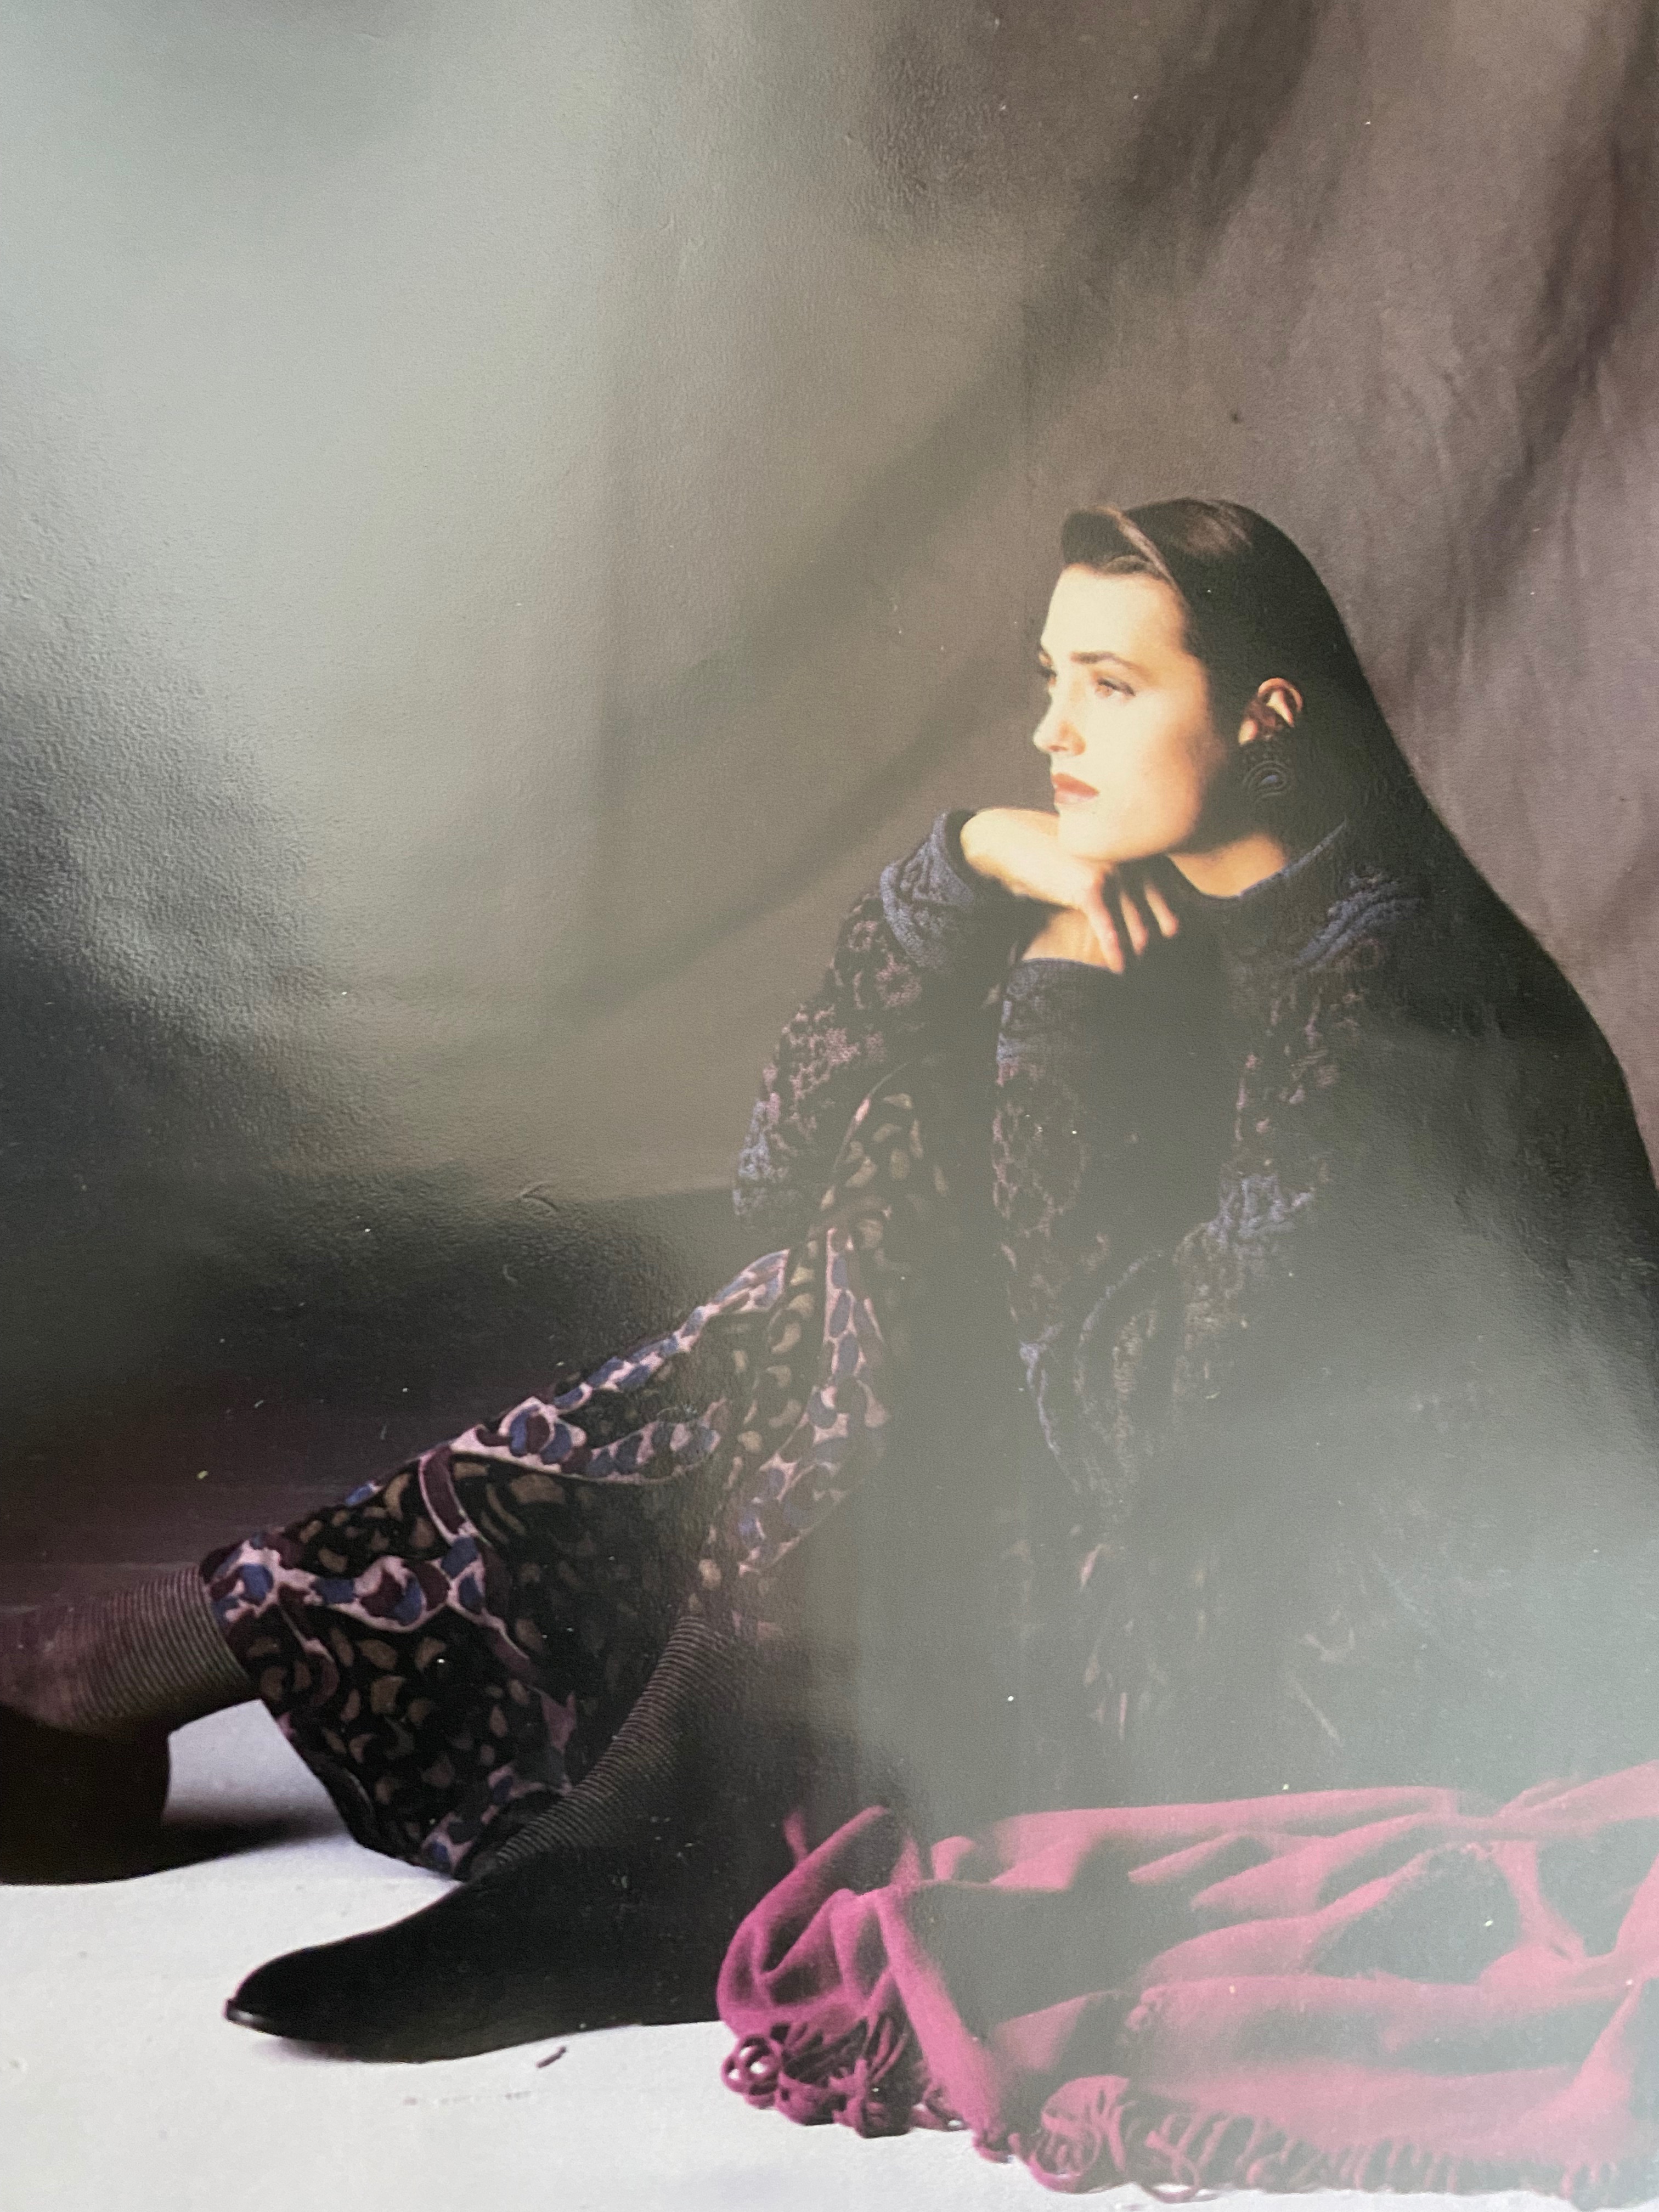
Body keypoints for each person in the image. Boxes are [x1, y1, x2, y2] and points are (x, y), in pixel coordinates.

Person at [7, 500, 1659, 2062]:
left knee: (898, 1217)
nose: (1054, 732)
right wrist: (970, 866)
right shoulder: (1198, 911)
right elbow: (789, 1179)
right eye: (1048, 681)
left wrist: (1051, 1026)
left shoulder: (1375, 993)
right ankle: (625, 1819)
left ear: (1268, 717)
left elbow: (1134, 1419)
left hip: (1371, 1665)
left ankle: (258, 1708)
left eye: (1110, 685)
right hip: (1189, 1551)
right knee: (874, 1209)